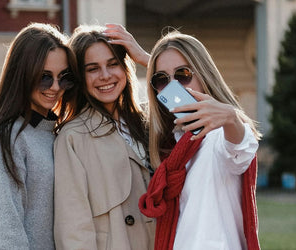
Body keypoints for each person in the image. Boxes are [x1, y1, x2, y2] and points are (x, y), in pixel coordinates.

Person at [137, 30, 262, 250]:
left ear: (204, 75)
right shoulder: (171, 143)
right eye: (161, 79)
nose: (174, 86)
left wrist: (230, 118)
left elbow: (242, 151)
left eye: (183, 74)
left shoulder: (220, 135)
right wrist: (144, 58)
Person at [0, 23, 79, 249]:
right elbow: (4, 235)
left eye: (64, 77)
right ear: (22, 74)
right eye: (45, 77)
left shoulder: (54, 132)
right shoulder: (4, 138)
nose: (56, 87)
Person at [53, 24, 155, 250]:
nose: (105, 76)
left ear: (125, 68)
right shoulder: (73, 137)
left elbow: (200, 111)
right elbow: (73, 229)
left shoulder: (149, 122)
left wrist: (149, 60)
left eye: (112, 64)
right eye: (92, 69)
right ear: (80, 77)